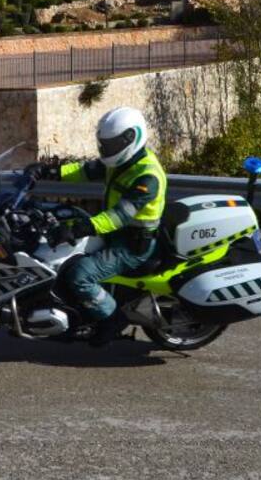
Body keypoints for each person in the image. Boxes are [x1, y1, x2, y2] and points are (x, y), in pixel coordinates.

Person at [28, 107, 166, 346]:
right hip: (115, 235)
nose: (108, 150)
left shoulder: (147, 176)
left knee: (80, 275)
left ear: (131, 138)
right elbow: (85, 170)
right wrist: (48, 171)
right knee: (60, 255)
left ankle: (112, 319)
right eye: (106, 145)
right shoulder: (123, 162)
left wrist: (80, 229)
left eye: (113, 145)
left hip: (132, 246)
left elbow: (119, 216)